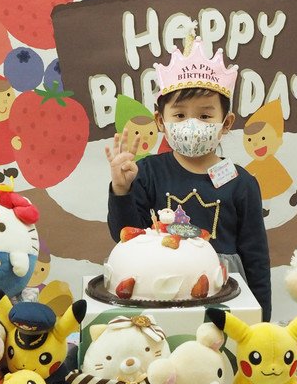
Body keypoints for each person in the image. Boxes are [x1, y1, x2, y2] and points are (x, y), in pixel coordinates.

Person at [105, 35, 272, 320]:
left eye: (205, 116)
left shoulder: (241, 183)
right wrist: (122, 190)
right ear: (161, 121)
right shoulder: (146, 173)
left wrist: (261, 319)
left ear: (226, 123)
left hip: (226, 297)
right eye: (179, 115)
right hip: (161, 294)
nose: (191, 124)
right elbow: (126, 238)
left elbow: (256, 259)